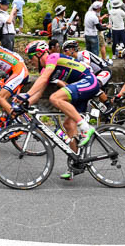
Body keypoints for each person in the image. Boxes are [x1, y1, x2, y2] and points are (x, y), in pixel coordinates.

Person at [18, 41, 99, 179]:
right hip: (80, 87)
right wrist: (24, 103)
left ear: (39, 54)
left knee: (55, 98)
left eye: (31, 58)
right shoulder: (45, 70)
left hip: (89, 81)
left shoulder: (53, 57)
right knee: (68, 124)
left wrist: (26, 94)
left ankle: (85, 128)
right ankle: (76, 163)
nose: (30, 62)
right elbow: (38, 92)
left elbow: (43, 79)